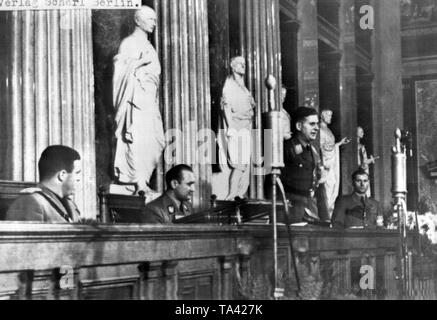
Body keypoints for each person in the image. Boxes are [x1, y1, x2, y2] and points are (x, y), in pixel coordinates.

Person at [112, 6, 165, 196]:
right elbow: (120, 73)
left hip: (149, 99)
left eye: (154, 20)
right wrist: (139, 63)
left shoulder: (150, 46)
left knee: (156, 141)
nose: (154, 23)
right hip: (135, 99)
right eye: (150, 19)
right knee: (138, 139)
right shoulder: (129, 43)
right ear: (138, 20)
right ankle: (138, 181)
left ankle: (144, 180)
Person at [5, 145, 83, 223]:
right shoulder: (30, 203)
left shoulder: (71, 204)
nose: (79, 178)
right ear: (62, 175)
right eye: (77, 173)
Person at [218, 56, 255, 201]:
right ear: (233, 67)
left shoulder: (242, 86)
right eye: (240, 64)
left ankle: (240, 193)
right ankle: (233, 194)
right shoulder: (229, 85)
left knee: (244, 164)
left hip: (246, 126)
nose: (243, 66)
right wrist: (231, 128)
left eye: (244, 64)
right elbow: (227, 107)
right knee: (239, 164)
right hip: (237, 127)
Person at [281, 107, 327, 223]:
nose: (316, 128)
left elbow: (319, 188)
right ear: (299, 126)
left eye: (317, 124)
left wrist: (325, 218)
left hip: (311, 211)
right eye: (312, 124)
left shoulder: (314, 151)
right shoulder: (286, 148)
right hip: (292, 214)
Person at [319, 109, 350, 218]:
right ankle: (326, 214)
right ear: (322, 116)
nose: (330, 117)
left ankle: (330, 213)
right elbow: (321, 148)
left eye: (331, 115)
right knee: (328, 187)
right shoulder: (320, 130)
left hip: (331, 163)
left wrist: (339, 144)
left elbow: (329, 147)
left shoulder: (327, 130)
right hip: (326, 164)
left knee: (333, 186)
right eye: (328, 115)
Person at [357, 126, 378, 197]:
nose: (363, 133)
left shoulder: (360, 146)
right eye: (361, 132)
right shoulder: (360, 147)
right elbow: (363, 162)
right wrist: (371, 160)